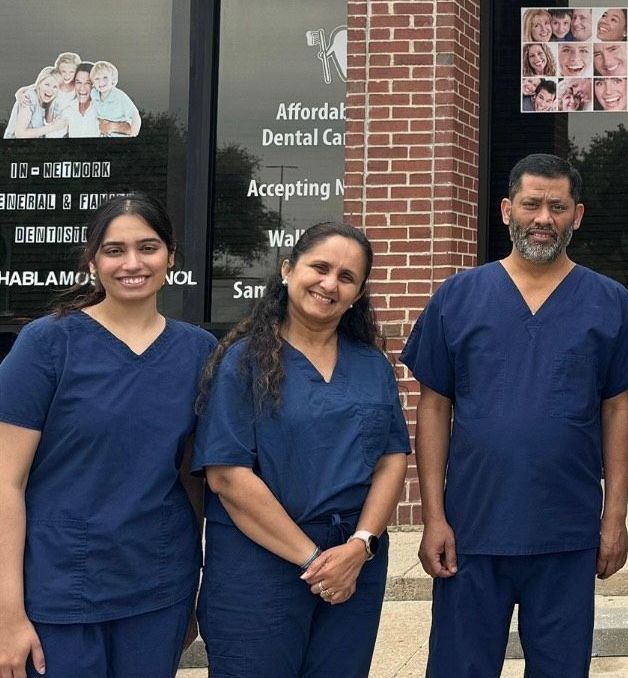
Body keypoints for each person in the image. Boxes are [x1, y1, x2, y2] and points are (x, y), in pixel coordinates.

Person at [402, 154, 628, 677]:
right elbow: (434, 406)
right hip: (472, 529)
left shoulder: (610, 303)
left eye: (557, 206)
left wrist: (615, 518)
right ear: (507, 210)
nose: (543, 217)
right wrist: (434, 517)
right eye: (532, 204)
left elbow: (617, 410)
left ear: (576, 216)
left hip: (567, 530)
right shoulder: (457, 298)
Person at [0, 194, 216, 677]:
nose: (133, 263)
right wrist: (6, 613)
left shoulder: (198, 351)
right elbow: (4, 483)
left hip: (158, 586)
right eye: (115, 250)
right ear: (93, 259)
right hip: (58, 590)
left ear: (171, 256)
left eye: (148, 247)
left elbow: (195, 480)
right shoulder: (47, 344)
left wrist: (193, 591)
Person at [193, 223, 410, 677]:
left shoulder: (371, 364)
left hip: (353, 567)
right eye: (321, 267)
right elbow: (228, 477)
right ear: (289, 270)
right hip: (261, 565)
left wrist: (361, 545)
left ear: (358, 293)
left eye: (347, 277)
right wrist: (314, 561)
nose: (331, 284)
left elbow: (391, 458)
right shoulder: (244, 362)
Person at [4, 67, 66, 139]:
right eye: (47, 84)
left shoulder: (51, 101)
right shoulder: (29, 97)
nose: (50, 90)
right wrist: (53, 127)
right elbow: (20, 134)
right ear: (39, 84)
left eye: (55, 87)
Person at [88, 61, 140, 137]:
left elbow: (135, 115)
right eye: (97, 79)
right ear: (93, 82)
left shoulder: (119, 96)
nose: (101, 82)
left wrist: (133, 135)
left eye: (105, 77)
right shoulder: (94, 94)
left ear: (113, 79)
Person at [63, 62, 100, 138]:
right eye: (78, 82)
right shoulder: (68, 109)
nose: (82, 88)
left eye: (87, 83)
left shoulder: (103, 108)